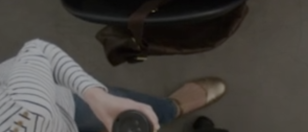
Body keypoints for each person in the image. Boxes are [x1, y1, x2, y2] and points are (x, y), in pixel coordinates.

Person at [0, 39, 226, 132]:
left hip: (60, 106)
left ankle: (171, 108)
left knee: (127, 108)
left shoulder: (21, 107)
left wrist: (95, 95)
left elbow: (39, 51)